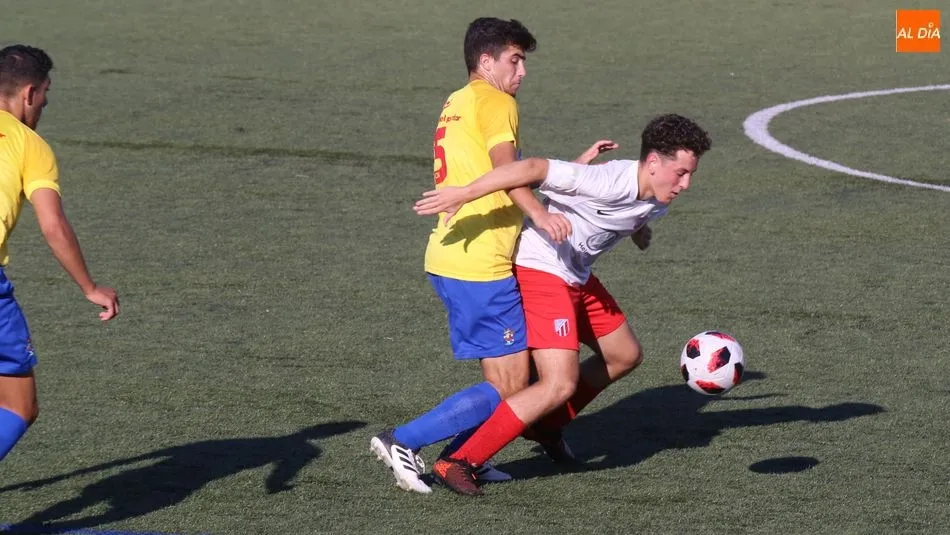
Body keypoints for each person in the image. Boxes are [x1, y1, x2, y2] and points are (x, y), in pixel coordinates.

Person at [413, 114, 712, 495]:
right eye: (681, 172)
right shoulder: (608, 180)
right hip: (542, 268)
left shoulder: (655, 195)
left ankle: (545, 426)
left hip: (576, 273)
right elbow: (532, 168)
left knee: (624, 354)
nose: (685, 184)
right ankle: (459, 460)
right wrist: (463, 193)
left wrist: (639, 230)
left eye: (691, 174)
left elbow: (623, 211)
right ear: (653, 162)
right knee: (559, 382)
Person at [370, 17, 599, 494]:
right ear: (486, 60)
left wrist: (572, 171)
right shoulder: (498, 101)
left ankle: (465, 456)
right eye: (515, 60)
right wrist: (540, 213)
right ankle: (403, 440)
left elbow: (492, 173)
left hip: (452, 254)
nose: (522, 72)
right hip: (480, 266)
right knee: (513, 386)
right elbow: (505, 170)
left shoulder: (458, 100)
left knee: (506, 374)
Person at [0, 44, 119, 463]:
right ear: (30, 93)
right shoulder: (29, 145)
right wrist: (89, 286)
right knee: (18, 406)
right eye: (47, 92)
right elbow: (53, 224)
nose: (46, 103)